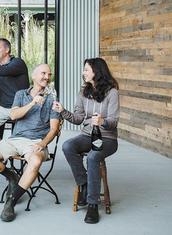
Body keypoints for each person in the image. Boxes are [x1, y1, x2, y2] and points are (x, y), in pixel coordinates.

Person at [0, 64, 60, 222]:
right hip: (15, 140)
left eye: (49, 74)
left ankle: (11, 201)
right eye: (43, 73)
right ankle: (12, 176)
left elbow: (53, 129)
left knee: (35, 160)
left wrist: (43, 144)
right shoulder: (21, 94)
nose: (47, 77)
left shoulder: (52, 100)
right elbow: (14, 115)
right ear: (34, 76)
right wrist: (32, 103)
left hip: (36, 142)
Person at [53, 57, 119, 224]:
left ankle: (92, 205)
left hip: (107, 138)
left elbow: (113, 122)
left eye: (86, 70)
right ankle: (84, 184)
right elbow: (78, 119)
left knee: (92, 157)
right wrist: (63, 111)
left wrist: (102, 121)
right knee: (68, 146)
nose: (83, 73)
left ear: (96, 72)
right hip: (87, 135)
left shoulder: (112, 92)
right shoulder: (83, 92)